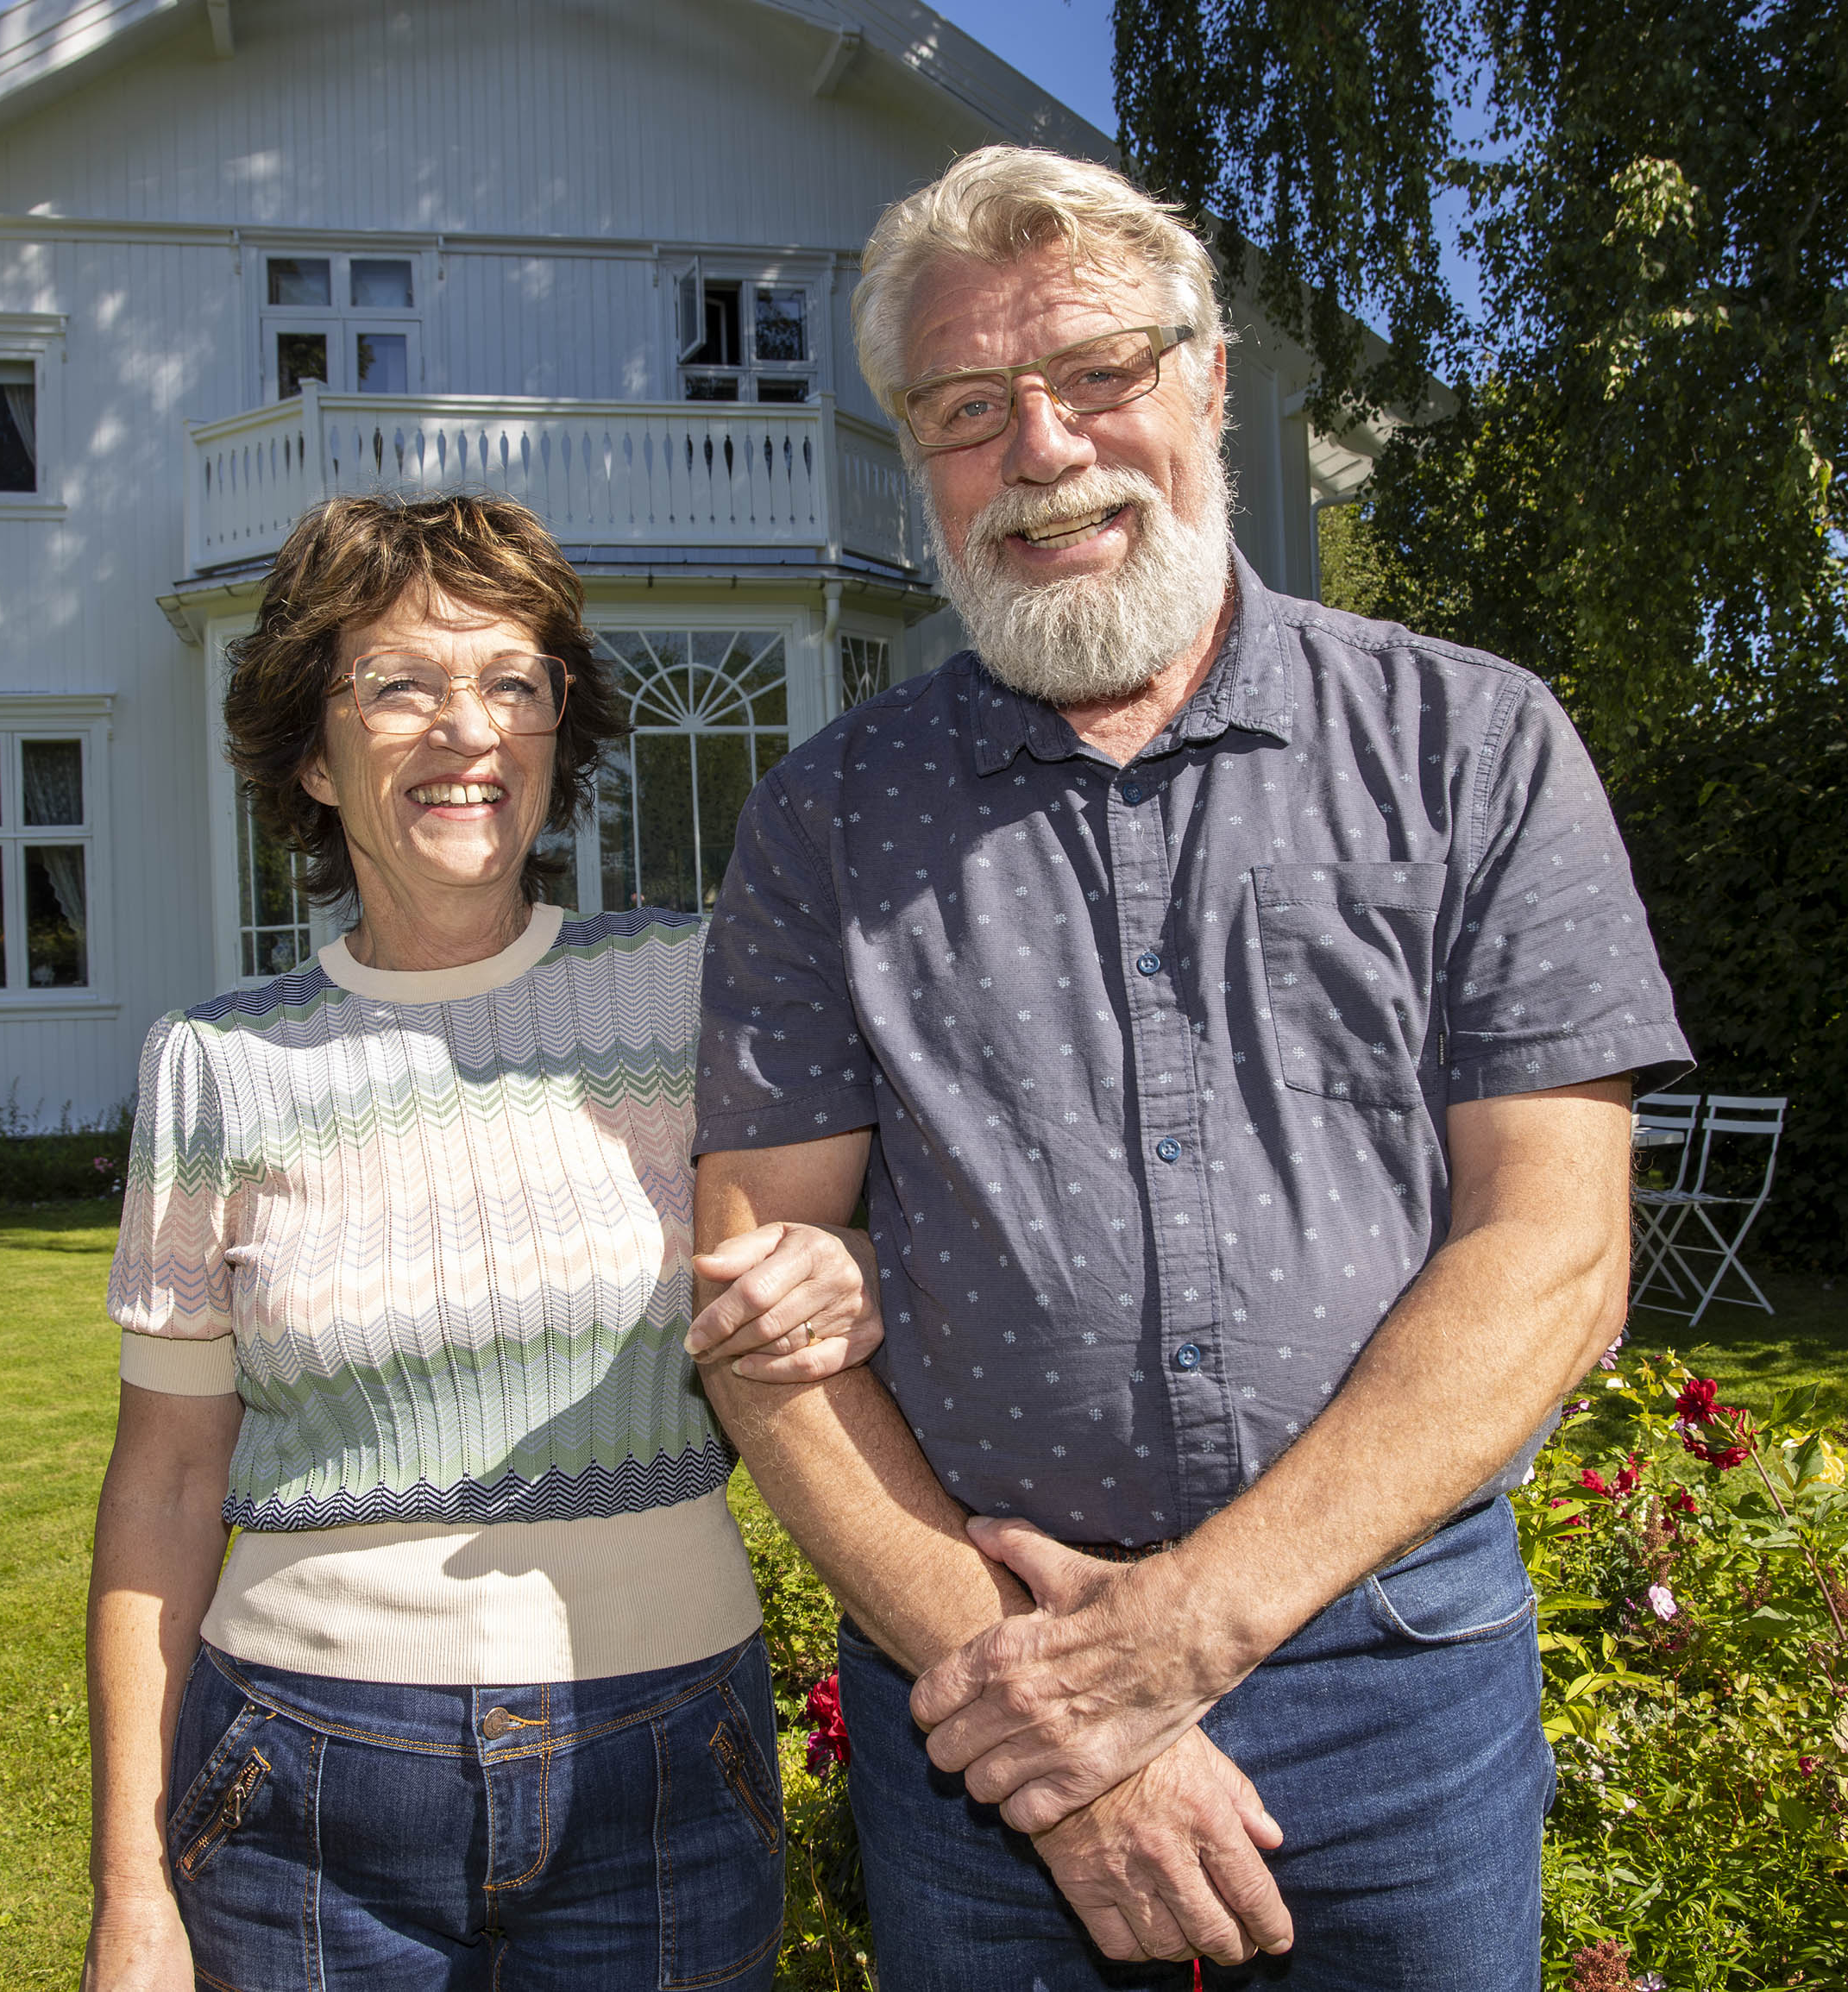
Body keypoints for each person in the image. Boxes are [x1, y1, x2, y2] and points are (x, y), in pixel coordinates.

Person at [684, 147, 1695, 1988]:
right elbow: (763, 1332)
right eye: (969, 409)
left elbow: (1555, 1255)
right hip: (976, 1694)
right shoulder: (825, 820)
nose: (1046, 453)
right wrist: (1052, 1728)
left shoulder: (1472, 745)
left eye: (1097, 375)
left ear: (1209, 378)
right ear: (915, 454)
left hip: (1394, 1679)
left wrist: (1164, 1648)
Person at [82, 494, 882, 1992]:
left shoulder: (693, 993)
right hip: (299, 1785)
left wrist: (861, 1269)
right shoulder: (216, 1063)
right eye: (401, 684)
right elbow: (168, 1478)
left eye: (512, 682)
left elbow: (880, 1237)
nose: (469, 728)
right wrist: (133, 1886)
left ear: (557, 734)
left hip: (659, 1765)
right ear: (312, 758)